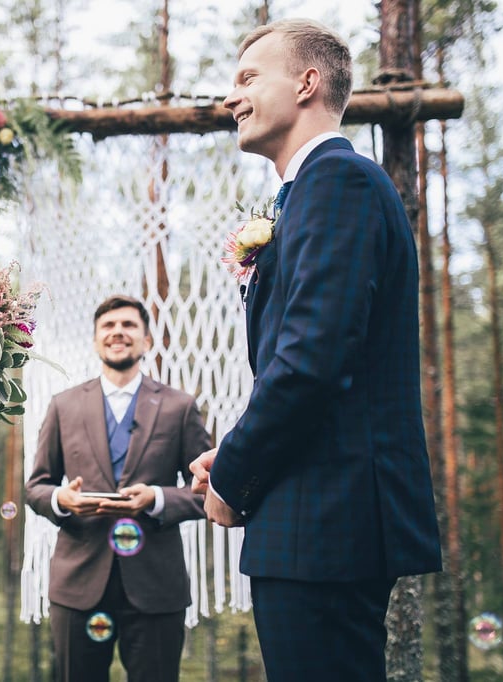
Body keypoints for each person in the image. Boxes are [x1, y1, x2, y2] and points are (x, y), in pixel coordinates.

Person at [189, 19, 442, 682]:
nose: (230, 97)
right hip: (313, 518)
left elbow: (312, 361)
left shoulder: (338, 181)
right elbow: (309, 362)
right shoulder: (306, 195)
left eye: (247, 79)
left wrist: (233, 474)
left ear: (306, 83)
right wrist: (242, 446)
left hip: (327, 523)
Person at [25, 295, 210, 682]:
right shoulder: (64, 405)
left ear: (146, 341)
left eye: (128, 325)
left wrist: (156, 498)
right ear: (95, 341)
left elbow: (209, 489)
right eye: (108, 326)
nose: (118, 332)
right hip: (77, 585)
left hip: (157, 587)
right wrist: (63, 499)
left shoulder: (180, 407)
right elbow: (37, 487)